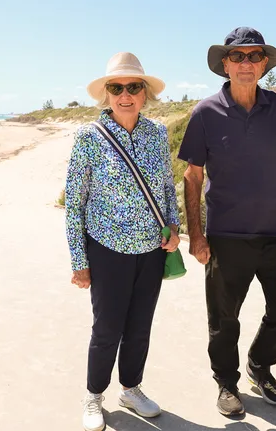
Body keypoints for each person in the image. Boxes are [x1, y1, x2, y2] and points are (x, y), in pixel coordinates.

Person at [177, 27, 276, 416]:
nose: (246, 64)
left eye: (254, 56)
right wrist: (197, 235)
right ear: (225, 64)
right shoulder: (206, 113)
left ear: (264, 64)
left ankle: (260, 365)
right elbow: (193, 175)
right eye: (238, 56)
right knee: (224, 319)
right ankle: (226, 382)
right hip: (227, 237)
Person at [65, 52, 181, 431]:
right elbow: (74, 204)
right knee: (107, 328)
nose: (125, 94)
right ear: (107, 94)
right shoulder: (88, 137)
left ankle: (131, 389)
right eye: (117, 88)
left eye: (134, 87)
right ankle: (93, 397)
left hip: (150, 249)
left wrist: (174, 228)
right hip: (107, 249)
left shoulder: (157, 134)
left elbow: (166, 187)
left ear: (145, 93)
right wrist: (78, 260)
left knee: (139, 326)